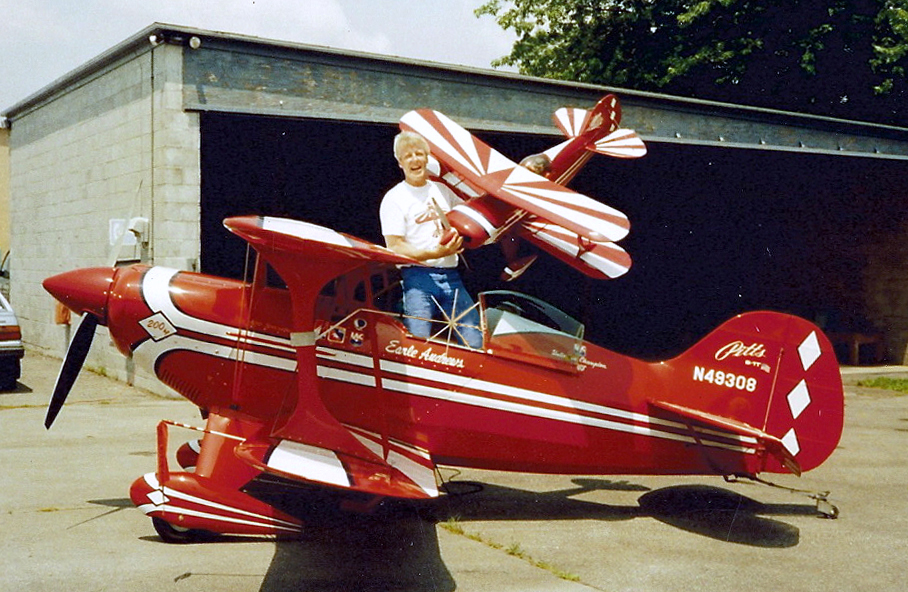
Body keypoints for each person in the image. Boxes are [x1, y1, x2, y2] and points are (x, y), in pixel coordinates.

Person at [379, 131, 484, 349]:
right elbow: (395, 247)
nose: (414, 160)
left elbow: (470, 217)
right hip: (418, 277)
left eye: (419, 154)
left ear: (427, 158)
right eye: (408, 156)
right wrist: (434, 254)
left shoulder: (443, 191)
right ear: (400, 163)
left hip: (452, 276)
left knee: (474, 340)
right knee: (418, 342)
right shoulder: (394, 198)